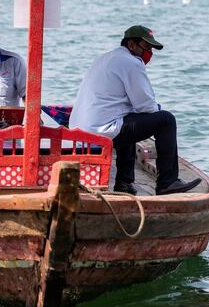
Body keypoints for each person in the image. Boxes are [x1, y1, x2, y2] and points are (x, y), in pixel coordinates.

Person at [69, 25, 201, 196]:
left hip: (80, 128)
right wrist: (158, 109)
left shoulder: (105, 58)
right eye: (146, 47)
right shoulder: (131, 63)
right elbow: (147, 106)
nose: (149, 53)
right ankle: (167, 182)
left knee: (128, 119)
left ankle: (124, 182)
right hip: (100, 130)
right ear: (131, 45)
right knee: (166, 120)